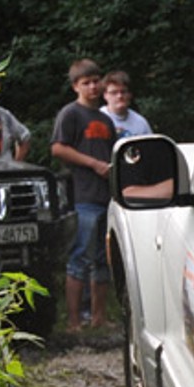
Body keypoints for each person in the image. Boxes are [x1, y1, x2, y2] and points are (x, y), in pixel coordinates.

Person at [50, 57, 117, 334]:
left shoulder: (105, 119)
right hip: (83, 195)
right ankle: (74, 321)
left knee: (103, 258)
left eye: (95, 81)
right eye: (85, 83)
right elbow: (58, 148)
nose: (92, 86)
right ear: (76, 86)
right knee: (80, 257)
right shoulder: (71, 114)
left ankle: (99, 318)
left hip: (107, 196)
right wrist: (93, 164)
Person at [102, 70, 152, 139]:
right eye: (114, 92)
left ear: (130, 94)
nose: (119, 96)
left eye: (123, 92)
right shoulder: (98, 119)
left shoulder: (140, 122)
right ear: (105, 95)